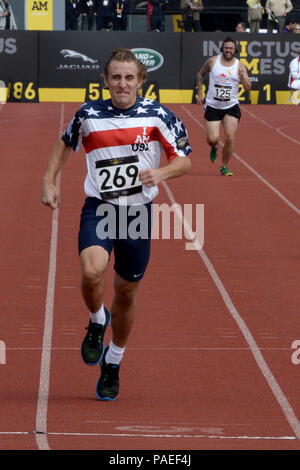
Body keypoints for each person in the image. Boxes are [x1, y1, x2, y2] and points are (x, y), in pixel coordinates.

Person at [40, 48, 192, 401]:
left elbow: (184, 160)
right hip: (101, 208)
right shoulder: (88, 114)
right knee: (92, 273)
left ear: (141, 81)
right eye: (116, 77)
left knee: (126, 291)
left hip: (137, 213)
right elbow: (65, 144)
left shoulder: (158, 116)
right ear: (105, 81)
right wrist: (49, 180)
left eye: (129, 77)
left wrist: (161, 172)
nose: (122, 83)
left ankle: (114, 361)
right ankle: (96, 320)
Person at [196, 37, 251, 176]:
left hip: (231, 106)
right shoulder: (212, 61)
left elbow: (248, 88)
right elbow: (200, 75)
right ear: (222, 49)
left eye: (231, 48)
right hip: (213, 106)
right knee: (212, 139)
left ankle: (224, 166)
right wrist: (200, 92)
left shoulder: (240, 66)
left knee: (230, 137)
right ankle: (214, 147)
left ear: (235, 50)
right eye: (226, 48)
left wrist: (244, 77)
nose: (228, 50)